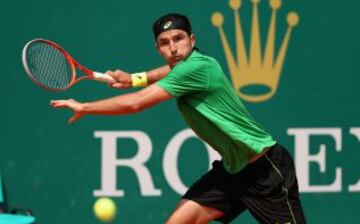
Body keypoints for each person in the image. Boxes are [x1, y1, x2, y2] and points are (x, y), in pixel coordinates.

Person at [51, 13, 306, 224]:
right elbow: (170, 70)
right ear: (158, 48)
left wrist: (85, 107)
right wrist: (134, 78)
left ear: (192, 39)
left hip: (266, 173)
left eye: (178, 38)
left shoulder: (198, 68)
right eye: (164, 42)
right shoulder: (185, 65)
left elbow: (136, 103)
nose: (173, 47)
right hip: (231, 172)